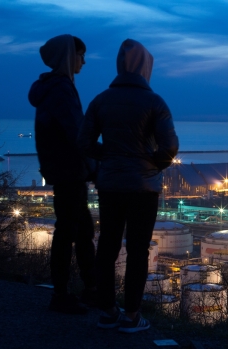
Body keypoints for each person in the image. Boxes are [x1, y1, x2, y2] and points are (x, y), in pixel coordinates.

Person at [79, 39, 179, 333]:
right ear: (146, 68)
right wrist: (152, 164)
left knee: (107, 246)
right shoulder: (155, 102)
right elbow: (170, 145)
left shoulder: (100, 100)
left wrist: (108, 158)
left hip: (110, 185)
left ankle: (107, 310)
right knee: (138, 250)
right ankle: (132, 314)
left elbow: (83, 142)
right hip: (143, 187)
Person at [28, 34, 97, 314]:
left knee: (79, 230)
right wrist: (96, 162)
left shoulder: (51, 88)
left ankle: (85, 289)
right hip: (70, 171)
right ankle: (65, 293)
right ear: (69, 57)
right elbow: (76, 132)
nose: (83, 61)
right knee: (70, 230)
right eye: (80, 55)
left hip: (62, 169)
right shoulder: (61, 89)